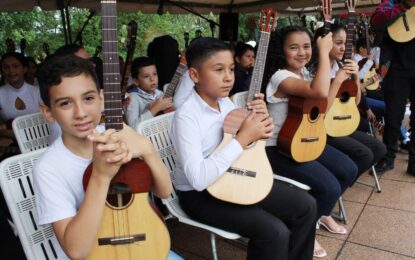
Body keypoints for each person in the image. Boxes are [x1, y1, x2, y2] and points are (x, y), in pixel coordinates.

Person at [172, 37, 317, 260]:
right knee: (274, 232)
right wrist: (241, 139)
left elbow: (254, 137)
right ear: (194, 75)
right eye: (218, 70)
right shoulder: (187, 115)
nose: (228, 77)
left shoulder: (224, 102)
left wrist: (261, 118)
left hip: (232, 175)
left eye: (230, 68)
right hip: (199, 195)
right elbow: (198, 178)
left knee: (306, 206)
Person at [33, 55, 173, 259]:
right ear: (48, 112)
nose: (80, 113)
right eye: (65, 103)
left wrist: (147, 150)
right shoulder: (48, 168)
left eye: (88, 98)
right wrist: (100, 176)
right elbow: (76, 251)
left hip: (140, 245)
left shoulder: (117, 134)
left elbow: (164, 191)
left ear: (102, 99)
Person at [262, 26, 358, 258]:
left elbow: (325, 105)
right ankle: (304, 230)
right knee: (329, 187)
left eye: (306, 46)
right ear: (281, 51)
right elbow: (318, 91)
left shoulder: (305, 73)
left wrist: (352, 77)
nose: (302, 52)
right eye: (293, 47)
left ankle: (313, 218)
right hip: (279, 148)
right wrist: (324, 53)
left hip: (305, 140)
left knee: (349, 169)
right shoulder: (280, 77)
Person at [314, 24, 387, 180]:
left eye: (345, 44)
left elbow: (355, 102)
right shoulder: (316, 70)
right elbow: (321, 110)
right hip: (324, 125)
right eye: (338, 43)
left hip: (340, 120)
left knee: (380, 149)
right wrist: (338, 81)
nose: (343, 48)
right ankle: (338, 180)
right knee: (364, 155)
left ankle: (341, 180)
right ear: (325, 43)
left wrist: (354, 78)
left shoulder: (340, 65)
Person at [371, 0, 415, 176]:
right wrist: (403, 8)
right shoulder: (390, 3)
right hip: (396, 71)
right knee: (393, 116)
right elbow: (376, 20)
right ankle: (388, 158)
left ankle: (414, 161)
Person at [0, 52, 42, 140]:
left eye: (15, 66)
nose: (11, 71)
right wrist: (7, 133)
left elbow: (49, 120)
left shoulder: (37, 92)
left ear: (24, 69)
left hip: (39, 140)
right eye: (6, 67)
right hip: (11, 145)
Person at [125, 57, 173, 129]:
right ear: (136, 81)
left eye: (155, 74)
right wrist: (157, 108)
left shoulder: (160, 93)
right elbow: (133, 127)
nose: (152, 79)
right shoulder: (133, 99)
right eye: (146, 76)